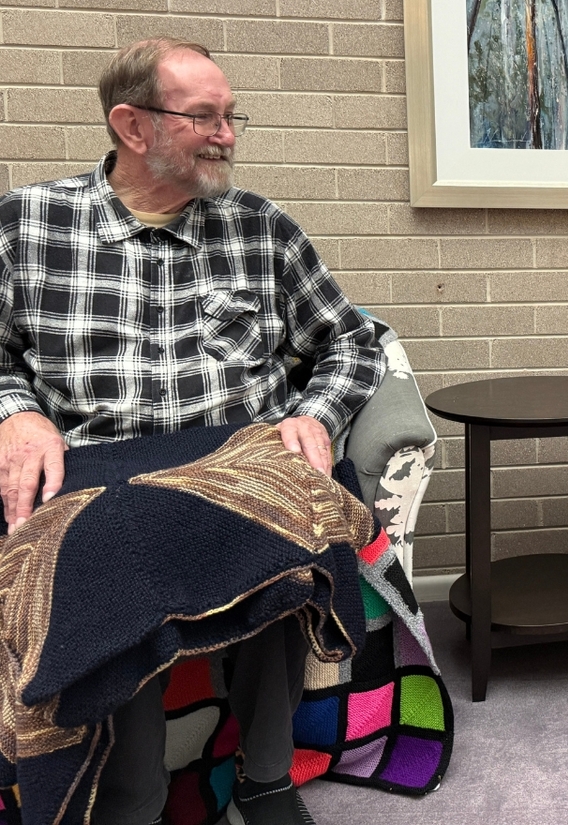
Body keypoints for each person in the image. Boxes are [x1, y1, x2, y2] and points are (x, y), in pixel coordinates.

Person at [0, 38, 385, 825]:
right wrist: (19, 410)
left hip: (233, 455)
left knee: (293, 520)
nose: (228, 135)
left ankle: (267, 775)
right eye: (204, 116)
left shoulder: (260, 228)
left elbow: (350, 340)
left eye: (230, 115)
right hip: (99, 467)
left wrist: (314, 414)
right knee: (108, 553)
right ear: (132, 126)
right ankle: (130, 796)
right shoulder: (30, 225)